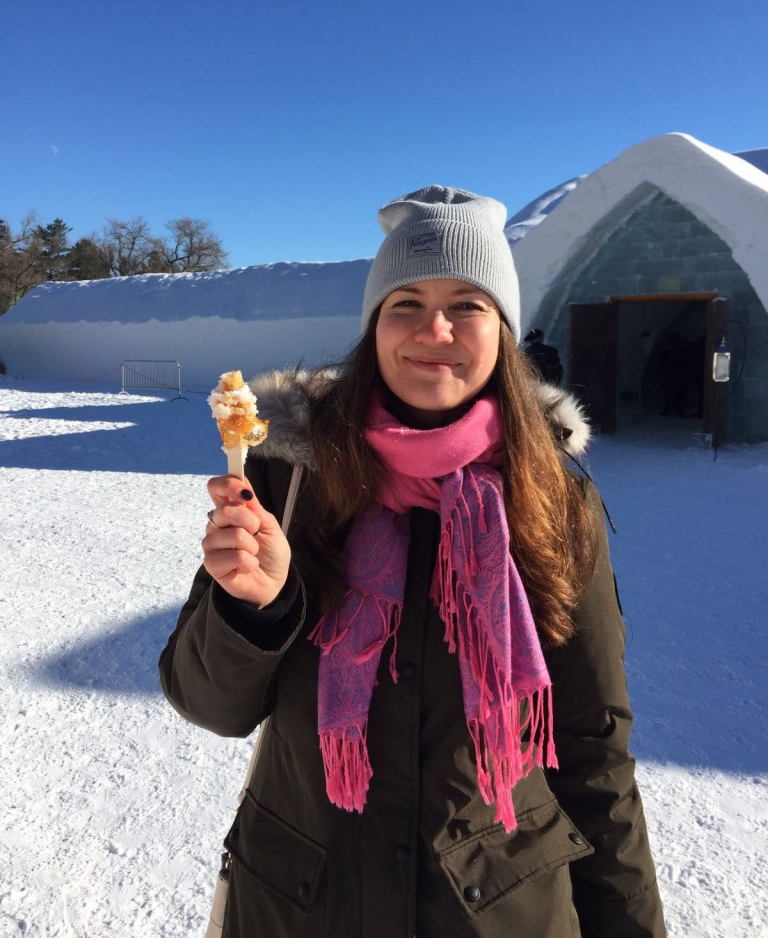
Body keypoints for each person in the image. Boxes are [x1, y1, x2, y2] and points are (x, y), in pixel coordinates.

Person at [159, 186, 666, 938]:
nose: (435, 328)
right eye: (405, 302)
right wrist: (249, 609)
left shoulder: (554, 505)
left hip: (496, 914)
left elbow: (592, 751)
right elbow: (209, 704)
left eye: (468, 303)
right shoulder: (291, 480)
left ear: (503, 330)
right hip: (301, 905)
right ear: (372, 327)